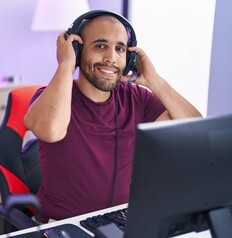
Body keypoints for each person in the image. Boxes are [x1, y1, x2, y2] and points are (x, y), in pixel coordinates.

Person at [24, 10, 202, 223]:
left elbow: (195, 132)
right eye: (100, 46)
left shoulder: (138, 99)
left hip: (119, 221)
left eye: (120, 49)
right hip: (62, 226)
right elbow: (50, 130)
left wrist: (155, 81)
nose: (111, 58)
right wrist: (66, 65)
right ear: (78, 51)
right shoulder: (51, 96)